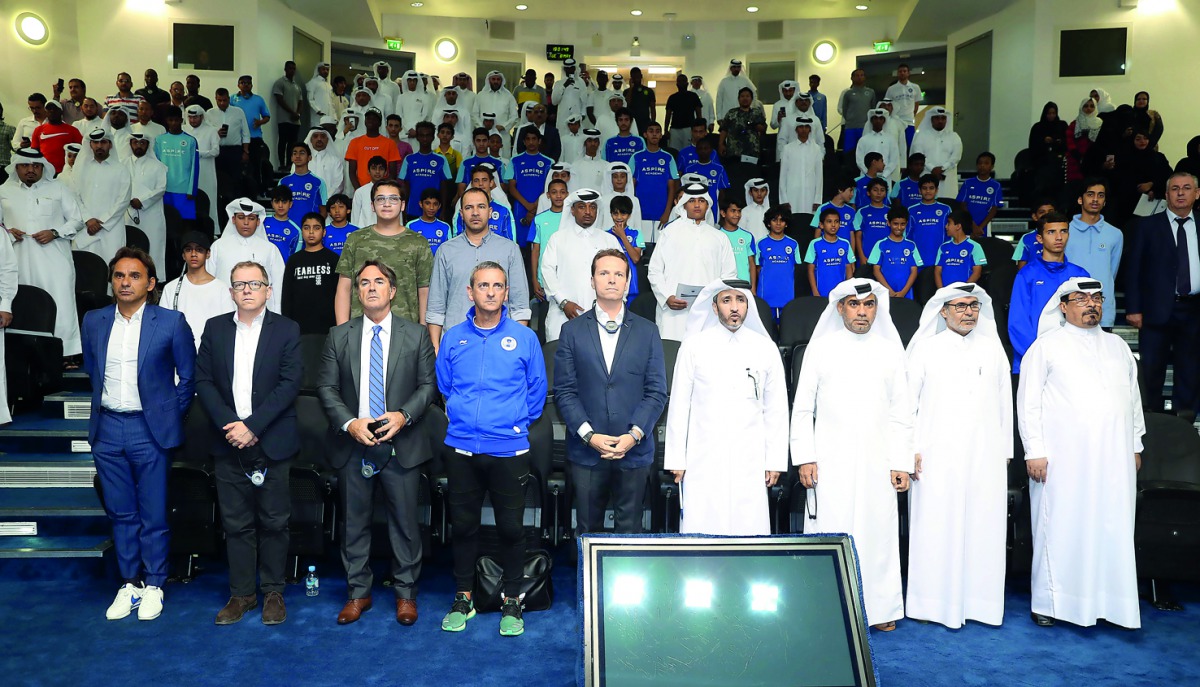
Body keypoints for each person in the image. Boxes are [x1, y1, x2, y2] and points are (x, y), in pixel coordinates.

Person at [1018, 277, 1144, 629]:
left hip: (1114, 458)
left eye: (1097, 298)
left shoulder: (1118, 346)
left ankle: (1109, 603)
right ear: (1063, 305)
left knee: (1111, 525)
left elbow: (1133, 401)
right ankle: (1050, 602)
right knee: (1060, 526)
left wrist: (1135, 444)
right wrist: (1035, 451)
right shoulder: (1046, 347)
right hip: (1062, 459)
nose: (1092, 304)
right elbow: (1027, 404)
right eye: (1082, 299)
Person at [317, 259, 438, 627]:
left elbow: (428, 387)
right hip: (354, 444)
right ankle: (358, 593)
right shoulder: (339, 335)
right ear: (357, 292)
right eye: (364, 282)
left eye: (379, 281)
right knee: (354, 524)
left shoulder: (415, 334)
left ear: (392, 290)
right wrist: (350, 423)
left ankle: (405, 594)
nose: (371, 287)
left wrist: (403, 415)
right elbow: (325, 387)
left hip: (402, 444)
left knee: (405, 524)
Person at [792, 278, 913, 632]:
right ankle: (825, 607)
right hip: (829, 460)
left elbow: (901, 412)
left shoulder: (892, 351)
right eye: (855, 305)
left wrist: (901, 462)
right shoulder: (822, 347)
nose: (862, 312)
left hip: (879, 460)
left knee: (879, 533)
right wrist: (805, 457)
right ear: (841, 308)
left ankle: (879, 609)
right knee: (830, 528)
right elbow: (802, 409)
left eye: (869, 305)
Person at [82, 247, 196, 621]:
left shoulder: (171, 321)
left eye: (133, 276)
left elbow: (187, 378)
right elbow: (91, 368)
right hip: (107, 428)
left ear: (150, 283)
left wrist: (165, 416)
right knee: (120, 512)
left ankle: (155, 584)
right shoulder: (94, 320)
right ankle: (128, 583)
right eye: (119, 275)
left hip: (150, 430)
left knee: (153, 513)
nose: (125, 282)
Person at [436, 261, 546, 636]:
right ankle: (463, 596)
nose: (490, 291)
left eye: (497, 286)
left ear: (505, 292)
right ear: (471, 292)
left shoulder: (525, 338)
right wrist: (469, 421)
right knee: (464, 526)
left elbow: (537, 391)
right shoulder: (453, 337)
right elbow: (446, 386)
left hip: (509, 448)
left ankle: (512, 599)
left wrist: (512, 424)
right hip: (462, 448)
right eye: (483, 285)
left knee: (512, 529)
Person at [195, 260, 301, 626]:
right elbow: (203, 382)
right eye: (239, 284)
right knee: (236, 523)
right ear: (231, 292)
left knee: (274, 521)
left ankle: (273, 591)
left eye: (254, 284)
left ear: (269, 290)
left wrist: (252, 426)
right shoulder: (215, 329)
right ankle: (242, 594)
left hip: (272, 439)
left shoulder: (287, 329)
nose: (246, 290)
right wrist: (232, 425)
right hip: (228, 441)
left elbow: (290, 384)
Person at [906, 282, 1011, 629]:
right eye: (961, 306)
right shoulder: (924, 349)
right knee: (936, 526)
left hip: (986, 454)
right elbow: (908, 406)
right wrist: (910, 451)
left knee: (983, 526)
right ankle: (931, 604)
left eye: (974, 306)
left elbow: (1003, 404)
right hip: (935, 455)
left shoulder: (992, 349)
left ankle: (979, 604)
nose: (969, 312)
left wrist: (1005, 450)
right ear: (944, 311)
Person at [554, 248, 667, 534]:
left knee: (630, 531)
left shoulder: (648, 330)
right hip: (587, 451)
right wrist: (589, 436)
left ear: (628, 282)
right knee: (587, 530)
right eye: (604, 273)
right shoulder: (572, 331)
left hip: (634, 449)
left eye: (619, 274)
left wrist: (633, 435)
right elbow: (565, 392)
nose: (612, 280)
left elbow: (656, 392)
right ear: (592, 280)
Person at [665, 278, 786, 534]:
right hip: (703, 453)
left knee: (749, 524)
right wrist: (677, 458)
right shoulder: (693, 346)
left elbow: (776, 408)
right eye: (727, 300)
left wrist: (774, 460)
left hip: (750, 455)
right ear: (714, 306)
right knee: (703, 523)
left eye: (740, 300)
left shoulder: (765, 348)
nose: (734, 307)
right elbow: (678, 405)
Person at [1126, 172, 1200, 416]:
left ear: (1196, 194)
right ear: (1166, 195)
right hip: (1155, 311)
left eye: (1186, 188)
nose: (1180, 193)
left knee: (1190, 370)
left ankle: (1185, 424)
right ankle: (1152, 421)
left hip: (1194, 311)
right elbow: (1134, 268)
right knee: (1151, 371)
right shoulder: (1147, 226)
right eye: (1175, 188)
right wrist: (1133, 308)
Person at [1, 149, 85, 358]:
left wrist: (55, 233)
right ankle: (25, 353)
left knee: (61, 302)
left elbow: (77, 220)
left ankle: (65, 353)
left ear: (43, 168)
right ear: (16, 167)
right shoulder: (4, 190)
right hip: (17, 258)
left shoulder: (58, 188)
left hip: (54, 258)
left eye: (36, 166)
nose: (31, 170)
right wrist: (8, 233)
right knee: (24, 303)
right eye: (25, 165)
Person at [426, 189, 530, 352]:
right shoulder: (446, 251)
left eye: (481, 207)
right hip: (456, 342)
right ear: (461, 213)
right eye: (469, 208)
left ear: (490, 212)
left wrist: (516, 344)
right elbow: (436, 306)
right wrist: (436, 348)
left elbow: (520, 306)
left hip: (501, 343)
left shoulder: (510, 249)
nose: (475, 212)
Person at [334, 179, 432, 326]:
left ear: (403, 205)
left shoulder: (418, 242)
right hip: (361, 330)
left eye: (393, 199)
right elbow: (344, 288)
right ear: (372, 206)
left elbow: (424, 291)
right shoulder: (355, 239)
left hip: (406, 332)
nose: (387, 204)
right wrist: (342, 332)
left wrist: (423, 333)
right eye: (381, 199)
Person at [647, 183, 738, 341]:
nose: (697, 205)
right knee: (673, 356)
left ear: (708, 204)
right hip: (674, 311)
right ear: (684, 204)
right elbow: (654, 271)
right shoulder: (668, 233)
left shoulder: (719, 237)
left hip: (709, 309)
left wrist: (717, 299)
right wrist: (667, 297)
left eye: (702, 200)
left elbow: (729, 274)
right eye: (692, 201)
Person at [1009, 211, 1090, 373]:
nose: (1059, 237)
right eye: (1051, 232)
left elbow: (1086, 319)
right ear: (1040, 238)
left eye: (1063, 231)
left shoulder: (1081, 275)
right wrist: (1040, 357)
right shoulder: (1026, 275)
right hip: (1033, 360)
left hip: (1072, 360)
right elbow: (1018, 323)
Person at [540, 189, 623, 341]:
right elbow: (547, 271)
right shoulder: (558, 239)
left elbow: (622, 274)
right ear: (572, 210)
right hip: (562, 315)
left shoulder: (609, 240)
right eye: (582, 207)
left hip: (602, 315)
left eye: (592, 207)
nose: (588, 212)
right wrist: (563, 302)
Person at [1063, 179, 1122, 328]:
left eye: (1101, 195)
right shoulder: (1065, 231)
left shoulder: (1115, 234)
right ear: (1080, 199)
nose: (1095, 199)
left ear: (1105, 201)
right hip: (1070, 310)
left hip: (1103, 311)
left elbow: (1111, 272)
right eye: (1090, 194)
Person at [209, 199, 286, 313]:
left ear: (258, 221)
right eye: (241, 217)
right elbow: (209, 281)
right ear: (233, 219)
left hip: (260, 314)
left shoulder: (270, 249)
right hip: (223, 311)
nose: (246, 222)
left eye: (251, 218)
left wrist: (277, 313)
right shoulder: (218, 247)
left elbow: (278, 285)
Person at [160, 231, 234, 349]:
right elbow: (163, 327)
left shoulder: (221, 288)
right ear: (183, 255)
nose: (193, 254)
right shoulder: (171, 288)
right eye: (188, 250)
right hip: (180, 354)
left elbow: (228, 327)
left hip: (212, 353)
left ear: (208, 254)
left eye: (199, 250)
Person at [72, 129, 132, 263]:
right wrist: (88, 220)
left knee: (111, 266)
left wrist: (101, 222)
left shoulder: (121, 169)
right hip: (85, 227)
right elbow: (75, 197)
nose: (99, 146)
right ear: (90, 145)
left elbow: (123, 200)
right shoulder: (80, 169)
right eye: (95, 142)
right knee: (84, 265)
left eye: (103, 142)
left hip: (112, 229)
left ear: (110, 145)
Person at [281, 214, 339, 336]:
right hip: (299, 328)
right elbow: (287, 295)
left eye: (316, 228)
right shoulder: (294, 260)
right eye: (307, 228)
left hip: (328, 327)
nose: (311, 232)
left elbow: (340, 294)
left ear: (324, 232)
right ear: (302, 231)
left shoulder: (333, 259)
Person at [154, 107, 200, 226]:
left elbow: (195, 167)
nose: (173, 123)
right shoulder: (159, 140)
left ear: (181, 120)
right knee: (167, 223)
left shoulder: (190, 140)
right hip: (165, 190)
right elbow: (156, 165)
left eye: (176, 120)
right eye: (170, 120)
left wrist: (192, 190)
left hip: (184, 191)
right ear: (166, 121)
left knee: (185, 224)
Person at [399, 121, 452, 220]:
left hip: (434, 210)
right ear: (417, 137)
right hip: (413, 210)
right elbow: (405, 187)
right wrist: (404, 208)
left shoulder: (441, 159)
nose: (425, 139)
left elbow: (445, 188)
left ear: (433, 137)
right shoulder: (409, 159)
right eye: (422, 135)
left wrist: (444, 210)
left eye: (428, 135)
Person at [718, 88, 766, 192]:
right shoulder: (731, 113)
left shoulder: (756, 113)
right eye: (742, 96)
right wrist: (721, 144)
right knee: (736, 182)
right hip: (734, 154)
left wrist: (757, 126)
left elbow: (763, 129)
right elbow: (724, 130)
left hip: (752, 154)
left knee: (752, 183)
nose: (745, 98)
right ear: (739, 99)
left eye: (747, 96)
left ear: (751, 99)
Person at [207, 88, 252, 198]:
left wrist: (246, 151)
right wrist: (216, 133)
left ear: (228, 99)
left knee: (236, 179)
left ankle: (236, 205)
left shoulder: (238, 111)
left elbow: (246, 133)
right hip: (217, 150)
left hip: (234, 150)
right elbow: (206, 133)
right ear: (215, 99)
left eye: (225, 100)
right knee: (217, 179)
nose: (222, 103)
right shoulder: (209, 113)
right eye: (219, 100)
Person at [183, 105, 220, 230]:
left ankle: (213, 229)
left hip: (206, 171)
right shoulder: (183, 130)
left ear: (202, 117)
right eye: (190, 117)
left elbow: (216, 151)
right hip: (188, 172)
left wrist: (198, 153)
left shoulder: (211, 130)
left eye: (196, 117)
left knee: (209, 199)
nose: (193, 120)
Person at [909, 107, 961, 197]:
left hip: (947, 178)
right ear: (931, 119)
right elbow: (918, 155)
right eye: (937, 118)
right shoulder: (921, 136)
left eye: (943, 118)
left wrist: (942, 168)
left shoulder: (954, 137)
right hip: (926, 176)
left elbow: (956, 157)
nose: (940, 121)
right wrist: (932, 168)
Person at [778, 116, 824, 216]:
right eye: (801, 127)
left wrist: (817, 199)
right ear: (796, 129)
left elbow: (819, 176)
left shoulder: (816, 149)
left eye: (806, 127)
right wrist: (784, 200)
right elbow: (783, 176)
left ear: (810, 129)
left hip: (810, 195)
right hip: (792, 194)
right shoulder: (787, 149)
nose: (803, 129)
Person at [807, 207, 856, 297]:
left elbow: (848, 267)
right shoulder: (815, 244)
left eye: (836, 221)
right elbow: (810, 269)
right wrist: (815, 291)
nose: (833, 225)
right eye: (829, 221)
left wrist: (849, 289)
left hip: (841, 293)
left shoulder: (845, 243)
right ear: (821, 225)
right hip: (821, 293)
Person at [280, 142, 328, 226]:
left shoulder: (319, 182)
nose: (298, 156)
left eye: (302, 153)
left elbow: (323, 210)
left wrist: (314, 227)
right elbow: (279, 207)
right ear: (291, 158)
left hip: (309, 230)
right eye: (295, 153)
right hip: (288, 229)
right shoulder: (283, 182)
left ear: (309, 157)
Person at [934, 209, 986, 287]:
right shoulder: (943, 247)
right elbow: (937, 272)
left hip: (965, 294)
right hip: (945, 294)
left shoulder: (975, 246)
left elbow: (977, 273)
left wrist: (963, 291)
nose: (946, 226)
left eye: (949, 223)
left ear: (958, 226)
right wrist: (941, 291)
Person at [956, 152, 1004, 235]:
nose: (982, 166)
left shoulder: (996, 186)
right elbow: (962, 205)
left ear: (992, 166)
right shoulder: (968, 183)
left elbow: (994, 209)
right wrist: (973, 226)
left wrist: (980, 228)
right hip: (968, 224)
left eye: (986, 163)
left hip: (984, 227)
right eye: (980, 163)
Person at [271, 62, 305, 172]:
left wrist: (297, 114)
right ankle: (282, 164)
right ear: (285, 69)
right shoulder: (280, 83)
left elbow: (300, 102)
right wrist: (292, 112)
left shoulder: (297, 86)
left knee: (293, 144)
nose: (292, 70)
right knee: (282, 142)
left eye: (294, 69)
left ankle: (291, 164)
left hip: (295, 121)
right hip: (284, 119)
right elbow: (279, 100)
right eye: (290, 68)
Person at [29, 101, 81, 174]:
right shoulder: (38, 130)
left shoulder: (72, 130)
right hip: (45, 172)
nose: (52, 111)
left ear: (61, 112)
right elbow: (34, 152)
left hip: (66, 172)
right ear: (46, 112)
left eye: (54, 109)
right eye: (49, 109)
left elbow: (81, 151)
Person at [717, 196, 757, 288]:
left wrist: (753, 288)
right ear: (723, 213)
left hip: (744, 285)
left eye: (739, 211)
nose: (737, 215)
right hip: (723, 285)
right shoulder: (717, 236)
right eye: (733, 211)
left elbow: (752, 264)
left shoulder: (748, 236)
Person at [837, 69, 876, 153]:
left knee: (865, 151)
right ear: (852, 78)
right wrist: (850, 119)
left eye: (862, 75)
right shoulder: (848, 93)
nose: (859, 77)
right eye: (857, 75)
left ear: (865, 77)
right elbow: (844, 110)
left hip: (866, 127)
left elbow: (873, 110)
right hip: (850, 128)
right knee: (849, 152)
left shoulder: (870, 92)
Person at [854, 178, 891, 264]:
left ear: (885, 193)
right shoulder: (862, 212)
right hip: (866, 257)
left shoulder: (891, 212)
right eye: (875, 190)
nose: (879, 193)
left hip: (887, 257)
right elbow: (858, 237)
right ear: (868, 192)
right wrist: (861, 256)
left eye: (882, 190)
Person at [884, 64, 922, 146]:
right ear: (897, 73)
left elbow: (916, 103)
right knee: (896, 145)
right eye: (900, 71)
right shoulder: (891, 89)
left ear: (908, 73)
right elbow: (887, 104)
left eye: (904, 71)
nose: (902, 73)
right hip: (896, 122)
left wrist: (912, 114)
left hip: (909, 122)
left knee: (909, 145)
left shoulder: (915, 87)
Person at [856, 109, 900, 181]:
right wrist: (869, 173)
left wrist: (884, 175)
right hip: (866, 177)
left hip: (885, 178)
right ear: (871, 120)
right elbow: (859, 160)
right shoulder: (863, 140)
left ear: (884, 121)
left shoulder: (891, 139)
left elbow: (894, 160)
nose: (878, 121)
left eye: (881, 119)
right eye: (875, 118)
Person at [663, 74, 702, 151]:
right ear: (677, 84)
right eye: (679, 81)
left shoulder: (693, 96)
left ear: (687, 83)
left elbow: (699, 114)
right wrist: (666, 130)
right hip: (674, 129)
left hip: (689, 129)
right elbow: (668, 115)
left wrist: (699, 128)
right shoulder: (672, 98)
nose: (681, 83)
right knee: (674, 151)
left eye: (683, 81)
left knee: (689, 150)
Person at [1066, 98, 1101, 183]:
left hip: (1095, 159)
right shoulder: (1075, 123)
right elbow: (1069, 139)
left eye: (1092, 106)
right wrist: (1077, 154)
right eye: (1085, 106)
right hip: (1076, 159)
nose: (1089, 108)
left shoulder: (1100, 123)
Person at [306, 62, 333, 129]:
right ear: (318, 70)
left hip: (328, 117)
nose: (326, 71)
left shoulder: (328, 85)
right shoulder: (313, 82)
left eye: (327, 70)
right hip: (318, 116)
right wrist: (318, 110)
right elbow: (310, 98)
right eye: (323, 69)